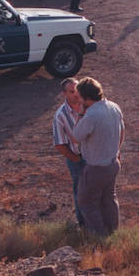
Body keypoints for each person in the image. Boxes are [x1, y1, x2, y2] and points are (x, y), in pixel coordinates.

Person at [70, 77, 125, 236]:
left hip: (96, 168)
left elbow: (75, 137)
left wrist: (80, 114)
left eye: (80, 97)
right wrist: (117, 150)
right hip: (112, 163)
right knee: (109, 199)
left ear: (87, 98)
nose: (78, 100)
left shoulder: (91, 115)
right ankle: (112, 232)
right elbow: (122, 131)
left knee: (86, 202)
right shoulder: (114, 107)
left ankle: (100, 236)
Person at [52, 77, 85, 226]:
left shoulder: (89, 105)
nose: (76, 94)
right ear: (64, 94)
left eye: (77, 90)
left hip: (95, 156)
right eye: (72, 92)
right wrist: (76, 160)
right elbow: (59, 144)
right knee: (80, 193)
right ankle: (83, 225)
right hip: (77, 158)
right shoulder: (60, 116)